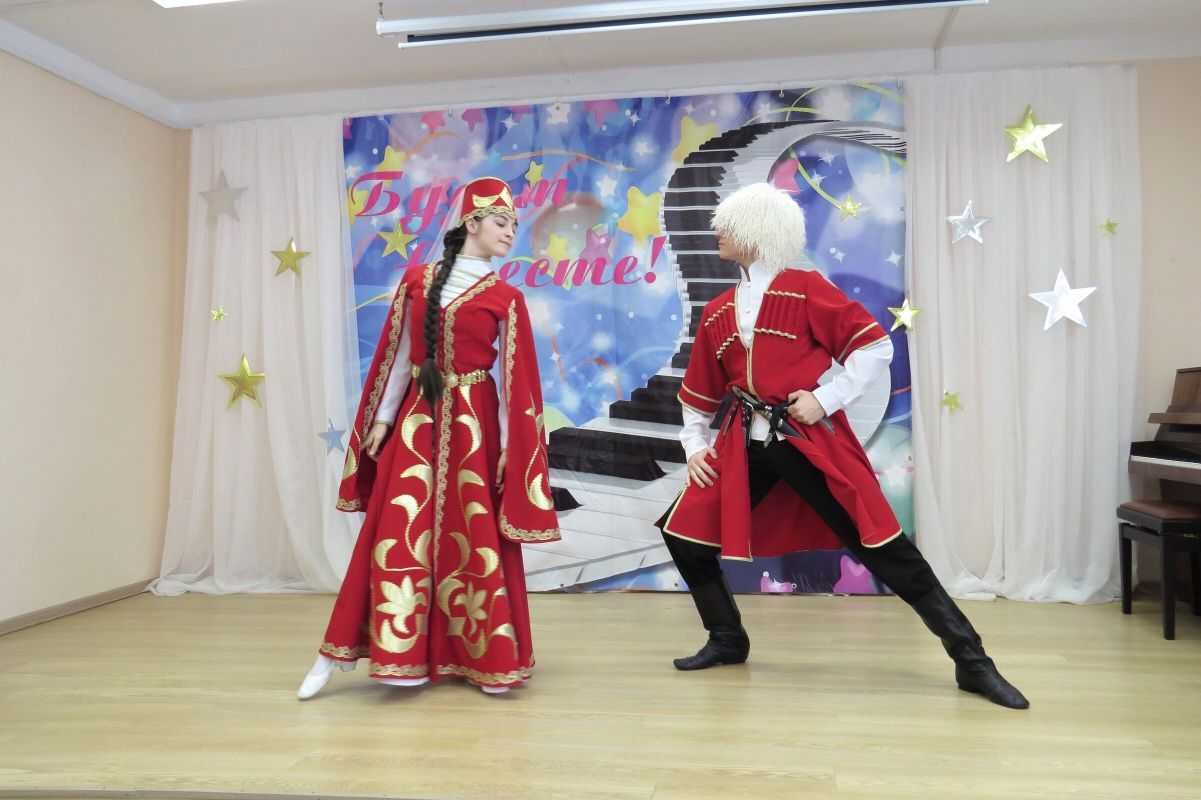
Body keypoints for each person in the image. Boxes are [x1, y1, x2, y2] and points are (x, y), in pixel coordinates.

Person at [657, 183, 1028, 710]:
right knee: (685, 534)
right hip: (743, 446)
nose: (716, 231)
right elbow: (699, 390)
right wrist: (695, 445)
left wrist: (825, 398)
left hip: (806, 441)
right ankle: (727, 638)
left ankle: (972, 660)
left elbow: (873, 346)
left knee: (883, 547)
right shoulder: (719, 310)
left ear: (757, 231)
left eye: (727, 224)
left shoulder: (806, 289)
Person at [298, 176, 560, 699]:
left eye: (514, 225)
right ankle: (363, 650)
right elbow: (399, 357)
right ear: (472, 223)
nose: (511, 233)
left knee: (475, 530)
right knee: (396, 528)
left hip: (476, 424)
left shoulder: (506, 298)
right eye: (501, 222)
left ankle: (487, 656)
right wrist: (381, 419)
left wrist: (509, 447)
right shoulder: (417, 281)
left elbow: (516, 381)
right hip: (418, 420)